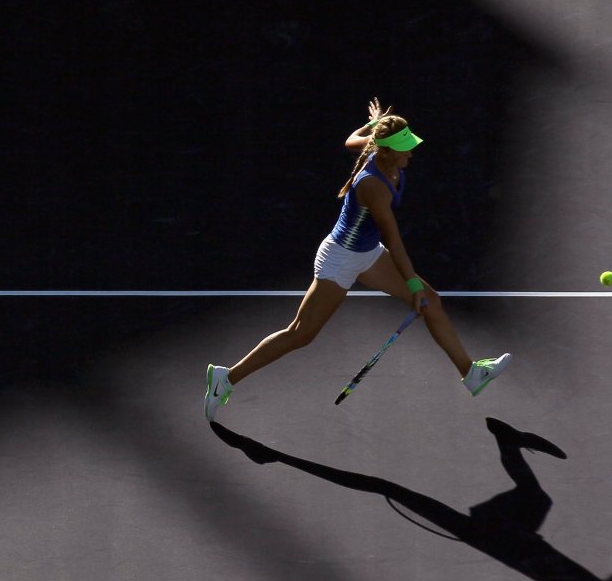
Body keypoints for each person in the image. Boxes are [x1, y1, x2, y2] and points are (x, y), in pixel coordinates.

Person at [204, 98, 510, 421]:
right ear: (387, 152)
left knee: (431, 301)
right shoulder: (374, 186)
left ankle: (470, 373)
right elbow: (394, 240)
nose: (411, 152)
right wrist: (412, 284)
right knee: (301, 334)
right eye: (404, 148)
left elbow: (351, 140)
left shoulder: (379, 151)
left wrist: (373, 124)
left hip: (367, 254)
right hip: (340, 261)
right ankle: (226, 378)